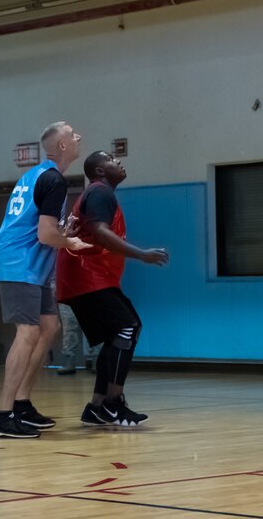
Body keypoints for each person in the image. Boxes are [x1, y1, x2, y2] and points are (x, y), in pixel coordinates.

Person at [0, 121, 89, 439]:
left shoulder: (38, 175)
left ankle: (22, 404)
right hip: (20, 264)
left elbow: (43, 228)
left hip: (31, 264)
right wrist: (70, 242)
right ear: (62, 146)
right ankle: (2, 416)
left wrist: (63, 233)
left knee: (49, 327)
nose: (78, 137)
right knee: (28, 331)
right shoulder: (53, 179)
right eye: (73, 134)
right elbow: (45, 235)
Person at [57, 151, 169, 427]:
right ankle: (112, 403)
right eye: (110, 159)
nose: (118, 161)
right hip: (87, 275)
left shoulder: (101, 193)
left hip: (88, 277)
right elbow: (99, 232)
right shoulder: (100, 192)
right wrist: (141, 254)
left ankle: (97, 407)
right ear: (99, 171)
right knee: (127, 327)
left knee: (121, 332)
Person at [56, 302, 99, 375]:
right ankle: (69, 359)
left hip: (90, 292)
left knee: (93, 322)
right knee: (68, 324)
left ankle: (97, 359)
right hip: (66, 293)